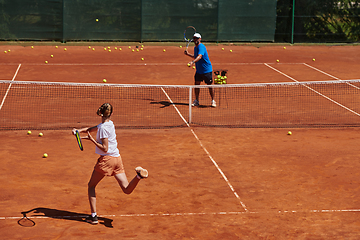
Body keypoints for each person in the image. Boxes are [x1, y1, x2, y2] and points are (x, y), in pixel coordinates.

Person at [72, 103, 148, 224]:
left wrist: (91, 140)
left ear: (100, 113)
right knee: (127, 190)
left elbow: (105, 148)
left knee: (91, 186)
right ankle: (139, 176)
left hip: (107, 160)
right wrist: (78, 131)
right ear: (111, 114)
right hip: (117, 158)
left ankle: (94, 217)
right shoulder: (109, 124)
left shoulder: (102, 128)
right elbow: (91, 129)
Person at [184, 32, 216, 107]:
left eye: (197, 38)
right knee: (196, 85)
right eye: (194, 38)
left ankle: (213, 100)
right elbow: (196, 56)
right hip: (199, 71)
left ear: (200, 39)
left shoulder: (201, 47)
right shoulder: (195, 48)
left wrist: (192, 62)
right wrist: (188, 54)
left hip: (206, 70)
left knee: (210, 86)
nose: (195, 39)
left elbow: (199, 57)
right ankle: (197, 100)